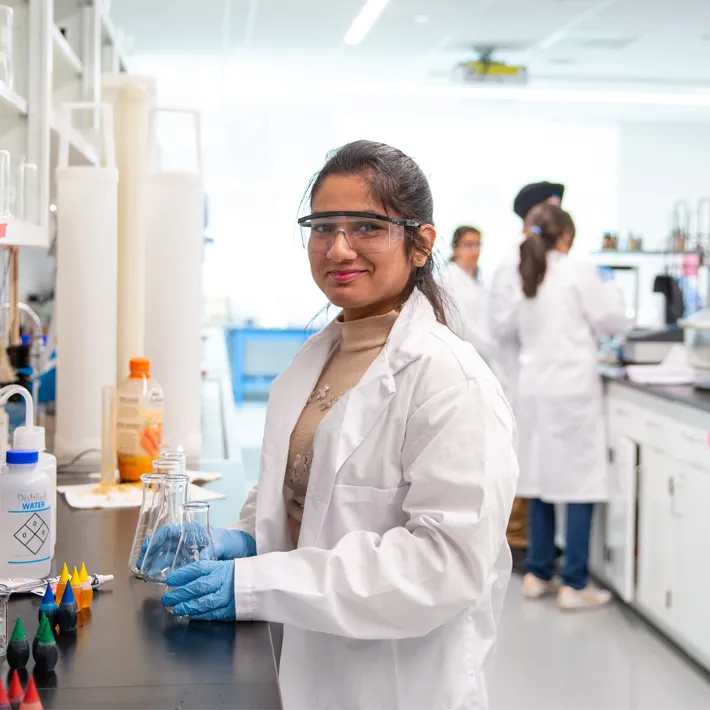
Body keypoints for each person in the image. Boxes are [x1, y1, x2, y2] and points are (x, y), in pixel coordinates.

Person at [143, 141, 518, 710]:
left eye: (367, 226)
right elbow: (310, 490)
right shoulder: (318, 357)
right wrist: (246, 537)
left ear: (420, 244)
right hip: (302, 662)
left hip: (396, 683)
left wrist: (253, 584)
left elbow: (444, 566)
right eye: (322, 227)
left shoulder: (451, 382)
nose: (338, 248)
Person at [515, 204, 627, 609]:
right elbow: (613, 319)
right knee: (579, 483)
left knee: (541, 481)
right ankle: (574, 584)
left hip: (534, 388)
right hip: (571, 389)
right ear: (565, 236)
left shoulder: (525, 270)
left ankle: (538, 573)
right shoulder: (577, 270)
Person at [489, 181, 565, 563]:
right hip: (516, 374)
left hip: (538, 375)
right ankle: (516, 541)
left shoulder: (555, 265)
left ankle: (530, 540)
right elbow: (504, 325)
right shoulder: (512, 263)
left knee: (535, 459)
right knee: (520, 458)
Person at [439, 225, 493, 363]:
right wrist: (489, 346)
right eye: (468, 245)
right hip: (462, 355)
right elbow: (460, 325)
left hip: (481, 353)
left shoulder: (479, 281)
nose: (474, 250)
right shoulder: (448, 280)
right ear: (455, 248)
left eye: (477, 244)